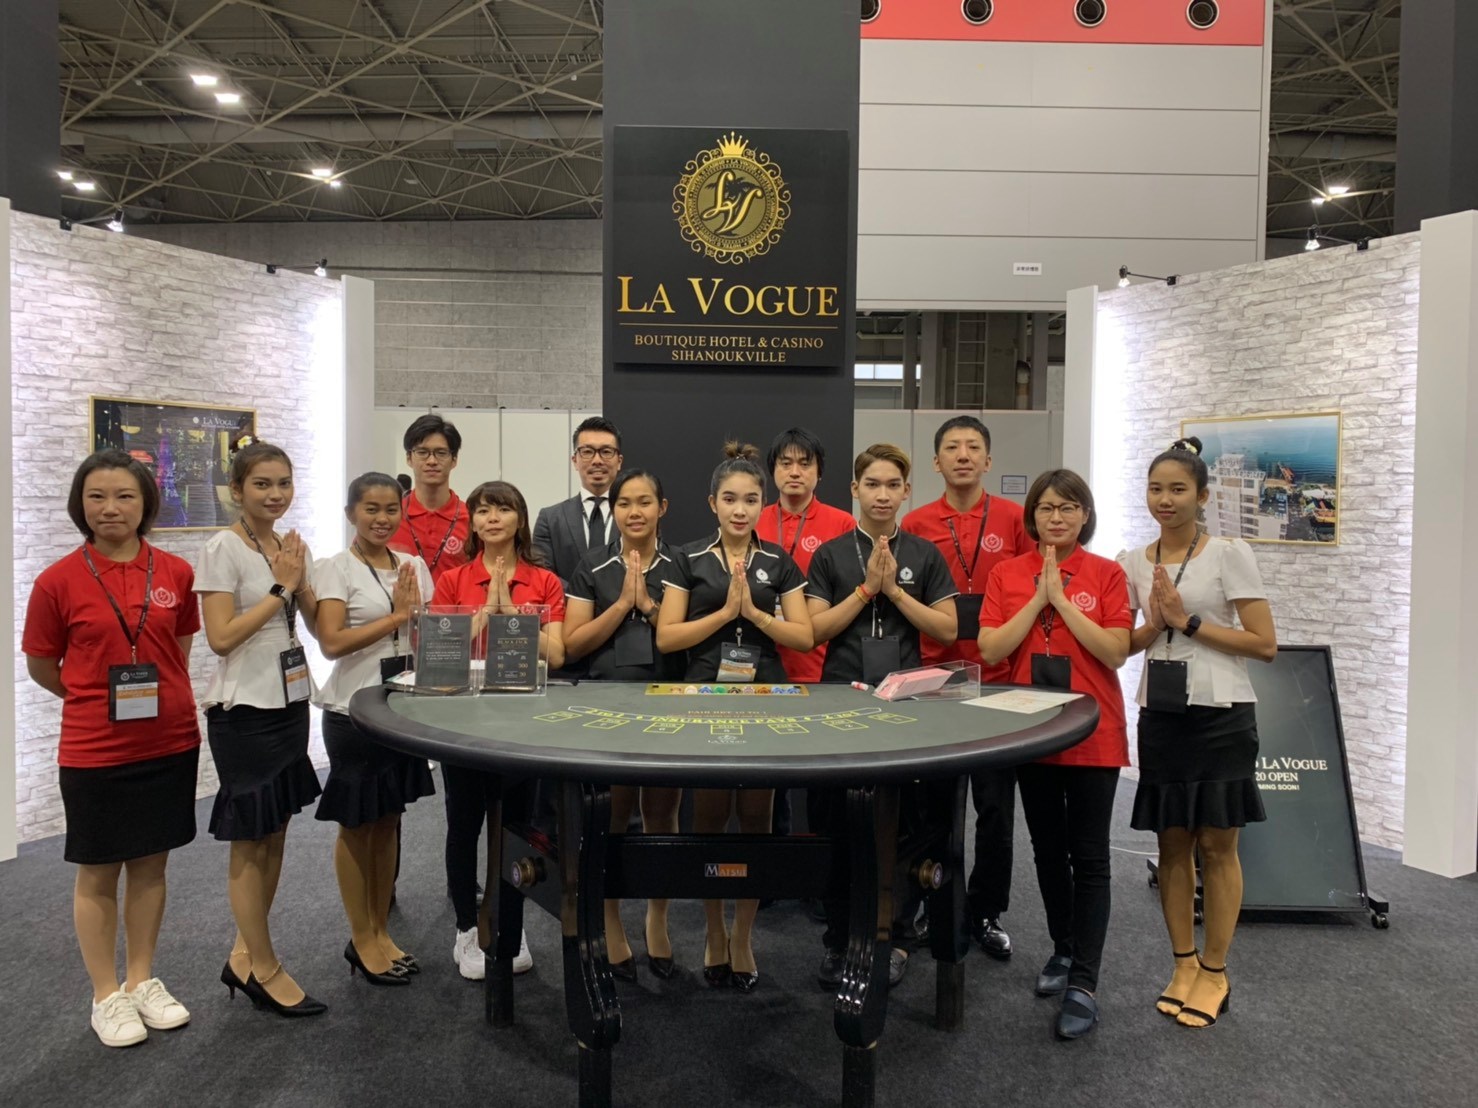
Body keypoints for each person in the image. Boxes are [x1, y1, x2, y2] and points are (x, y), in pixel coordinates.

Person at [23, 451, 201, 1047]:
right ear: (81, 505)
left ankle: (142, 978)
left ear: (145, 502)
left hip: (169, 740)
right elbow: (43, 666)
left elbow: (178, 649)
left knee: (151, 864)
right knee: (98, 870)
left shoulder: (175, 572)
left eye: (124, 495)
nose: (110, 508)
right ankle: (106, 994)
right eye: (96, 496)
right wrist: (91, 697)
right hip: (94, 749)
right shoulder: (57, 581)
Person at [1119, 438, 1277, 1029]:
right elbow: (1127, 641)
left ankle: (1215, 971)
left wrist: (1187, 621)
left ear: (1203, 496)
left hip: (1221, 715)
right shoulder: (1132, 561)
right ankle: (1183, 963)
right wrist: (1152, 625)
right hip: (1161, 714)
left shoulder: (1228, 553)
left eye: (1178, 489)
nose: (1165, 499)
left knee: (1217, 845)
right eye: (1156, 489)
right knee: (1172, 845)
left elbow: (1263, 644)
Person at [656, 443, 814, 992]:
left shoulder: (779, 561)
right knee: (708, 818)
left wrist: (756, 617)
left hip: (765, 696)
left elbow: (803, 635)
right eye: (729, 499)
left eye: (750, 499)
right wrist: (726, 613)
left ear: (762, 504)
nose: (740, 509)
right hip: (704, 695)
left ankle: (743, 935)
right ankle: (713, 931)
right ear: (713, 503)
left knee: (755, 819)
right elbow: (667, 636)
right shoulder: (688, 558)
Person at [979, 469, 1130, 1040]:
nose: (1057, 517)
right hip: (1032, 731)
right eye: (1046, 508)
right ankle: (1064, 949)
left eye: (1068, 508)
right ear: (1032, 517)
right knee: (1046, 850)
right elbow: (991, 647)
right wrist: (1037, 599)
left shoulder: (1107, 573)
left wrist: (1061, 601)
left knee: (1089, 856)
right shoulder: (1007, 573)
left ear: (1085, 515)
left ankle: (1085, 983)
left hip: (1094, 731)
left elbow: (1114, 652)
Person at [804, 444, 958, 991]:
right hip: (837, 703)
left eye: (893, 485)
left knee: (900, 827)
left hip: (901, 706)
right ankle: (839, 938)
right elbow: (815, 630)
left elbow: (946, 629)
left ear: (906, 491)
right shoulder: (829, 554)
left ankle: (894, 938)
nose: (883, 494)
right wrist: (868, 588)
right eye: (872, 484)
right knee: (836, 825)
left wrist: (895, 591)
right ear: (855, 490)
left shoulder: (925, 553)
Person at [196, 441, 325, 1018]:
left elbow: (315, 626)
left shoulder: (287, 547)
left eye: (283, 483)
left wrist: (305, 580)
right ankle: (265, 967)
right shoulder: (222, 547)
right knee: (250, 840)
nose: (275, 494)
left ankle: (245, 955)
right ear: (237, 490)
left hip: (289, 703)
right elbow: (221, 638)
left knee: (275, 833)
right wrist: (281, 588)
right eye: (262, 484)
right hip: (244, 711)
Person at [902, 415, 1032, 961]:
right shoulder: (916, 521)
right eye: (952, 447)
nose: (962, 455)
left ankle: (985, 911)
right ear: (936, 462)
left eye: (973, 447)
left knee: (996, 810)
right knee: (930, 806)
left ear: (988, 459)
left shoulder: (1014, 519)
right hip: (937, 677)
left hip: (998, 680)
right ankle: (930, 904)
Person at [431, 480, 566, 981]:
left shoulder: (544, 581)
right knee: (464, 825)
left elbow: (557, 654)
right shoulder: (453, 580)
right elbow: (440, 657)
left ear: (519, 520)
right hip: (463, 723)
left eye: (503, 509)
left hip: (522, 724)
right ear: (472, 522)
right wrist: (486, 610)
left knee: (514, 828)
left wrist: (511, 612)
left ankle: (510, 923)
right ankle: (466, 926)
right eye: (483, 510)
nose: (492, 518)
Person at [312, 473, 438, 987]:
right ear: (351, 514)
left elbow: (427, 636)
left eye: (390, 509)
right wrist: (398, 616)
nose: (382, 519)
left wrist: (418, 620)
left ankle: (381, 931)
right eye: (370, 509)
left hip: (401, 711)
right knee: (356, 825)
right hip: (352, 713)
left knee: (388, 821)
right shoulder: (335, 568)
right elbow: (331, 643)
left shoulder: (413, 566)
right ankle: (360, 937)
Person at [562, 469, 684, 981]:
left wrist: (648, 606)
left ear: (662, 507)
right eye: (624, 503)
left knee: (662, 814)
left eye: (644, 502)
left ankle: (658, 919)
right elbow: (573, 644)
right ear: (613, 511)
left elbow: (686, 636)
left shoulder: (681, 564)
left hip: (667, 701)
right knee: (611, 816)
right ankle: (610, 922)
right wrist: (621, 605)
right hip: (606, 704)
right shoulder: (592, 564)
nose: (635, 512)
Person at [756, 427, 857, 683]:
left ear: (819, 472)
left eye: (805, 464)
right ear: (772, 469)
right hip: (759, 659)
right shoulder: (753, 521)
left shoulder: (843, 523)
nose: (795, 472)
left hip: (820, 661)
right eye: (785, 463)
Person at [532, 416, 625, 588]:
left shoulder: (636, 515)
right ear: (575, 460)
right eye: (587, 452)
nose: (597, 461)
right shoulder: (550, 519)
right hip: (566, 604)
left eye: (606, 452)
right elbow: (543, 574)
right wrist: (580, 598)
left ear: (619, 461)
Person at [389, 414, 471, 586]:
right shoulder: (389, 517)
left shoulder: (473, 520)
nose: (432, 461)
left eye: (441, 453)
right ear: (409, 458)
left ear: (454, 460)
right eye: (422, 452)